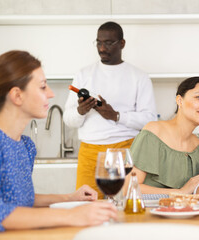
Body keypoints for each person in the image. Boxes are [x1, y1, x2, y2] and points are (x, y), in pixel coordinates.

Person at [0, 50, 117, 234]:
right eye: (43, 86)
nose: (51, 94)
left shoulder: (26, 146)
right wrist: (73, 215)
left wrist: (69, 198)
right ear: (17, 95)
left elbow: (22, 200)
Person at [63, 21, 157, 198]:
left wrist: (116, 116)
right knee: (86, 204)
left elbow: (150, 120)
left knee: (126, 203)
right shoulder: (83, 74)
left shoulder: (139, 77)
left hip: (125, 149)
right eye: (98, 42)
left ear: (122, 43)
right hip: (89, 151)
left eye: (108, 43)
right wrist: (80, 111)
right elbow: (68, 118)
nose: (102, 48)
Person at [130, 77, 199, 196]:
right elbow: (128, 187)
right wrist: (180, 192)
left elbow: (198, 188)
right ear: (179, 100)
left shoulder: (197, 145)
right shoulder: (154, 132)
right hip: (148, 212)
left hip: (185, 212)